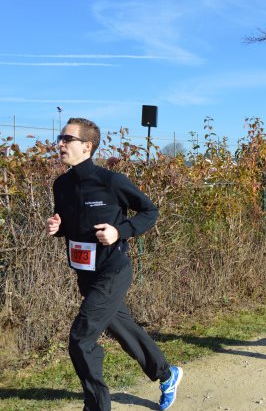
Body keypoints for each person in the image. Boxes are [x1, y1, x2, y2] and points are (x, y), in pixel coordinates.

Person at [45, 118, 182, 411]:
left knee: (81, 339)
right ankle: (166, 374)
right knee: (124, 329)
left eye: (67, 139)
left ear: (87, 146)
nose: (60, 144)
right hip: (85, 275)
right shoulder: (61, 185)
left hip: (112, 271)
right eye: (60, 138)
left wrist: (120, 231)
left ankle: (97, 406)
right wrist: (58, 227)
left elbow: (149, 211)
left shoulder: (110, 181)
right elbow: (72, 225)